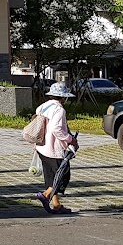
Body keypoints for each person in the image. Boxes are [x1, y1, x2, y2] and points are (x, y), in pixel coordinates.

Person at [34, 81, 79, 214]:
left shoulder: (43, 107)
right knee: (63, 176)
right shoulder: (59, 109)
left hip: (42, 147)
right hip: (54, 149)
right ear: (63, 97)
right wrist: (70, 139)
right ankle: (46, 195)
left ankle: (56, 204)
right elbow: (56, 129)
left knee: (50, 177)